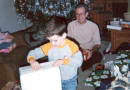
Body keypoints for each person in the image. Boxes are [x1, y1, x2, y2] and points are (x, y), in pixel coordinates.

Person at [27, 16, 83, 90]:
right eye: (50, 40)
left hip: (69, 80)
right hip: (54, 78)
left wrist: (64, 61)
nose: (52, 43)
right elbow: (32, 53)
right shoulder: (49, 46)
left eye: (55, 40)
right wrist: (32, 61)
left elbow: (79, 61)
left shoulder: (72, 46)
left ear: (64, 35)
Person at [67, 3, 102, 71]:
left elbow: (98, 44)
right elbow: (69, 42)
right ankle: (82, 63)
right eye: (77, 14)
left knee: (98, 56)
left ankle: (82, 63)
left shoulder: (93, 26)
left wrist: (91, 52)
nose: (79, 16)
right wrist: (78, 51)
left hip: (89, 51)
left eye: (81, 14)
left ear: (86, 14)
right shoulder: (71, 25)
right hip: (76, 51)